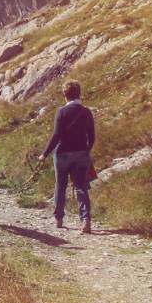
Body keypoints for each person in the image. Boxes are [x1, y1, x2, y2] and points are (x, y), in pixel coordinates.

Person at [37, 80, 95, 233]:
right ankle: (85, 220)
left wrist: (44, 154)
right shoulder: (86, 112)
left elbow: (56, 135)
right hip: (82, 154)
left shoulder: (61, 112)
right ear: (79, 93)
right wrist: (86, 150)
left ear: (65, 95)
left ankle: (59, 218)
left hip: (62, 154)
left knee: (60, 186)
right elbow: (92, 136)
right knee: (81, 187)